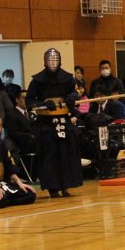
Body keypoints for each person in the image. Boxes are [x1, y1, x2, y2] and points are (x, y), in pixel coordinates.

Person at [26, 48, 83, 198]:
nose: (52, 62)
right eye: (49, 60)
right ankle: (53, 187)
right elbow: (30, 101)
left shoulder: (68, 79)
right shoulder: (37, 81)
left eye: (55, 60)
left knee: (66, 152)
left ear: (60, 61)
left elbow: (75, 92)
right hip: (46, 123)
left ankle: (65, 185)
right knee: (50, 155)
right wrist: (43, 104)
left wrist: (71, 98)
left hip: (64, 121)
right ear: (45, 62)